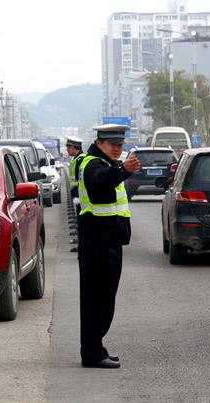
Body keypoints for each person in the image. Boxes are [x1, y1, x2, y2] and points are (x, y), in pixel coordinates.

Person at [77, 124, 140, 369]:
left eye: (121, 145)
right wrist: (123, 170)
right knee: (97, 300)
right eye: (113, 145)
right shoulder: (93, 164)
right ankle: (92, 353)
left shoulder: (106, 164)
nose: (117, 149)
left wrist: (120, 169)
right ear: (100, 142)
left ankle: (95, 348)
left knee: (104, 298)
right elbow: (99, 186)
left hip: (107, 241)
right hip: (98, 244)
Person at [66, 135, 86, 218]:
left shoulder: (80, 160)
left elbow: (81, 180)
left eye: (68, 147)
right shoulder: (76, 159)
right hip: (78, 196)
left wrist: (78, 196)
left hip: (81, 197)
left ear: (74, 147)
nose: (67, 150)